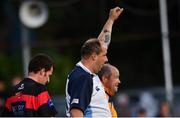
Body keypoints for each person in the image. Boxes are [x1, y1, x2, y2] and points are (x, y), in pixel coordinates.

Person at [65, 7, 123, 117]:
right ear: (94, 57)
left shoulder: (87, 75)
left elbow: (102, 42)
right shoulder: (82, 77)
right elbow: (76, 113)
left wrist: (111, 19)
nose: (106, 59)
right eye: (104, 55)